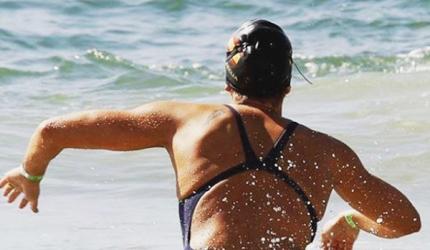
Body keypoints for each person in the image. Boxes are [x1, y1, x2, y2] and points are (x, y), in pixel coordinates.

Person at [0, 19, 420, 250]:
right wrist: (348, 220)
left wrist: (29, 174)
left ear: (228, 83)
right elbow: (406, 222)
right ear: (288, 84)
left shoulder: (186, 122)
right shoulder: (326, 152)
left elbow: (51, 131)